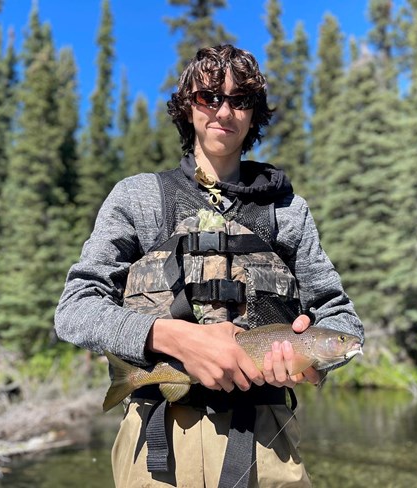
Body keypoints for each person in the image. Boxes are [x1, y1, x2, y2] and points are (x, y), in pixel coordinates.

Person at [55, 44, 364, 488]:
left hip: (266, 447)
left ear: (254, 114)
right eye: (209, 96)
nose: (224, 110)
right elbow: (74, 310)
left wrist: (315, 361)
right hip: (156, 446)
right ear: (187, 106)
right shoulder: (138, 199)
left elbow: (342, 318)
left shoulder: (288, 211)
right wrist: (173, 336)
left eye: (240, 100)